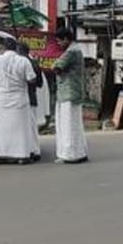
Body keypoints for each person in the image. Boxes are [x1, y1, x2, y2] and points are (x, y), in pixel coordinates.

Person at [0, 38, 40, 165]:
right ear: (16, 48)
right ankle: (21, 156)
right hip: (19, 99)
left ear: (4, 47)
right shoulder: (23, 61)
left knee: (2, 127)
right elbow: (32, 79)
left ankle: (0, 155)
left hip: (2, 98)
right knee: (20, 128)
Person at [50, 27, 89, 164]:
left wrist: (54, 65)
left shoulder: (71, 52)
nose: (59, 44)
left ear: (66, 39)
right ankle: (80, 152)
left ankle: (70, 154)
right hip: (73, 92)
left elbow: (56, 67)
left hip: (68, 92)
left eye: (59, 41)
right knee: (75, 125)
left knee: (67, 125)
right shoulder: (76, 50)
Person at [16, 42, 44, 162]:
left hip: (21, 99)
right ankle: (35, 151)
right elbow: (40, 84)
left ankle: (27, 150)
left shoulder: (18, 63)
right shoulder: (34, 63)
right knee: (32, 127)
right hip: (32, 98)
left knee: (22, 127)